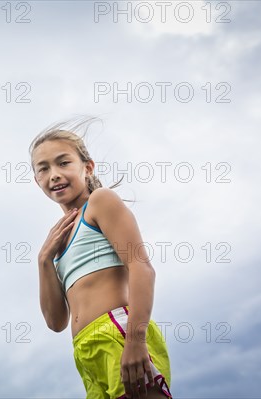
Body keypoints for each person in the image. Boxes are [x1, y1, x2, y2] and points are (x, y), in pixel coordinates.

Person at [30, 116, 173, 399]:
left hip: (118, 332)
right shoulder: (58, 243)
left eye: (63, 162)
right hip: (84, 351)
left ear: (87, 167)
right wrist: (44, 261)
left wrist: (135, 341)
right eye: (43, 169)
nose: (54, 174)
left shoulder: (100, 202)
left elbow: (142, 268)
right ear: (37, 180)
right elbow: (56, 321)